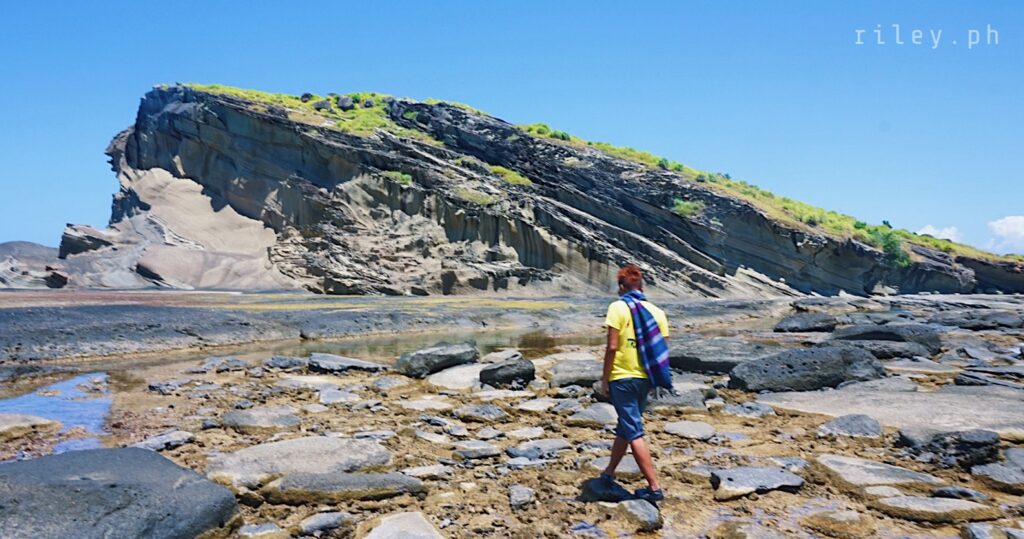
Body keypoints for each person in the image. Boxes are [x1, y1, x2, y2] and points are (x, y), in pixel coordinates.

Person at [598, 264, 669, 503]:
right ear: (642, 286)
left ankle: (654, 487)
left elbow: (612, 347)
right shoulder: (657, 312)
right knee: (626, 427)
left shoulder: (617, 308)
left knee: (634, 432)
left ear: (621, 287)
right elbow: (662, 349)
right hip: (645, 379)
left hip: (622, 377)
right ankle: (609, 473)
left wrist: (605, 378)